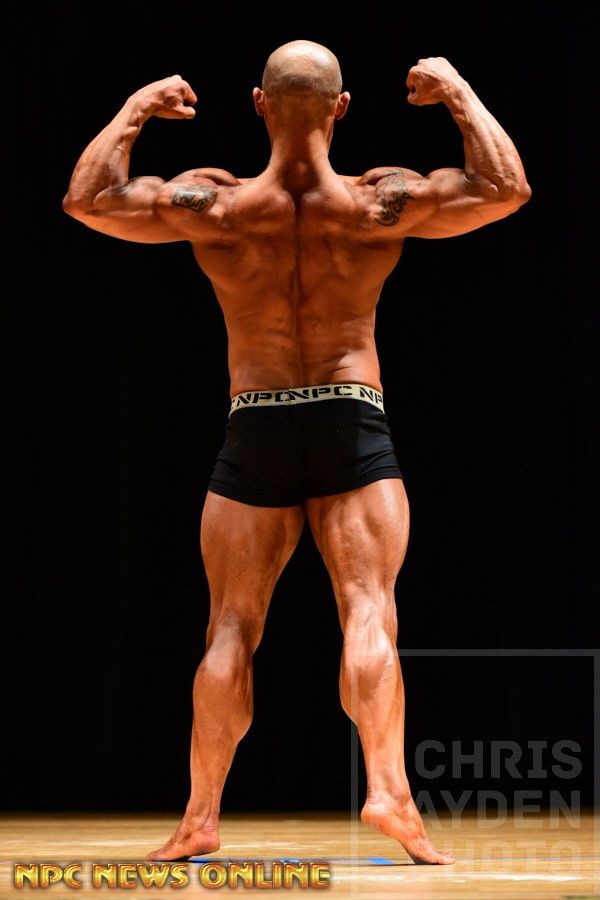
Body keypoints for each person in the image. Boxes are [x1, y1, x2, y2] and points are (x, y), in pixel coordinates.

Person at [63, 40, 530, 865]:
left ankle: (200, 817)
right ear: (342, 107)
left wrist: (137, 108)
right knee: (368, 608)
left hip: (257, 421)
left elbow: (89, 200)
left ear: (258, 102)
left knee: (230, 627)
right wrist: (457, 89)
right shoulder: (378, 200)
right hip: (352, 417)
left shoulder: (216, 203)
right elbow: (505, 189)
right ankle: (388, 792)